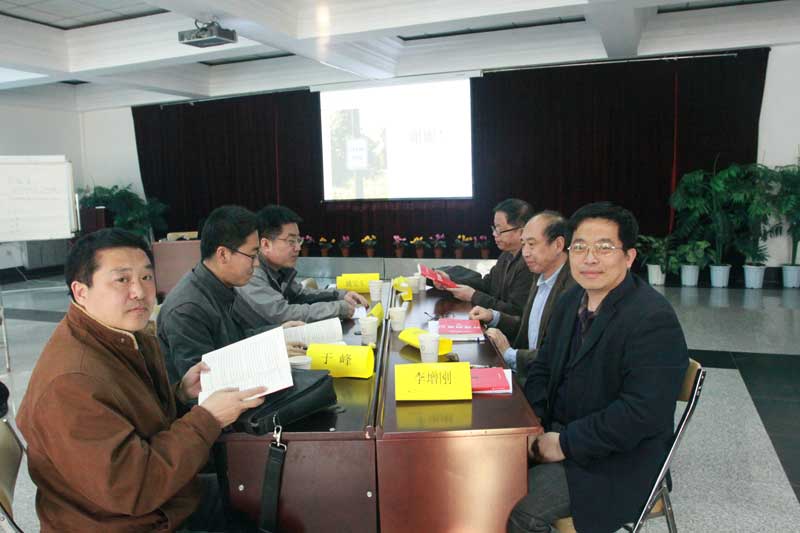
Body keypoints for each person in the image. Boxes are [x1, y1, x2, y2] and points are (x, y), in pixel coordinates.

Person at [16, 228, 266, 532]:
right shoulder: (71, 383)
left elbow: (134, 420)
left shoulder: (124, 336)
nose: (139, 291)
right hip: (128, 521)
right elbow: (134, 488)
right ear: (81, 292)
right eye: (122, 280)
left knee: (271, 486)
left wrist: (180, 394)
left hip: (165, 498)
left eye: (146, 277)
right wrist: (208, 418)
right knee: (271, 496)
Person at [508, 202, 689, 533]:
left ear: (629, 257)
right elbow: (542, 370)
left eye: (604, 248)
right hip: (557, 434)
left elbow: (641, 414)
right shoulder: (570, 301)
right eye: (580, 247)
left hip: (615, 460)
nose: (589, 259)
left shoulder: (652, 319)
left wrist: (564, 443)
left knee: (515, 507)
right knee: (480, 474)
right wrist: (534, 426)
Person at [158, 205, 303, 384]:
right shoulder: (187, 309)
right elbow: (203, 383)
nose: (257, 264)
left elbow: (238, 338)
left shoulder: (222, 286)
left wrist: (278, 332)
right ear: (223, 254)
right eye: (252, 256)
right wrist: (271, 353)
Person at [469, 211, 575, 379]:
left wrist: (510, 354)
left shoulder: (574, 288)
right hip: (529, 372)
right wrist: (493, 316)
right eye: (523, 244)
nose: (525, 253)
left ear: (558, 244)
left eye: (531, 244)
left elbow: (561, 354)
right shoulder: (539, 276)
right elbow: (531, 329)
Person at [234, 205, 368, 329]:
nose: (298, 248)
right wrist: (338, 308)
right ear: (266, 244)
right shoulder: (251, 273)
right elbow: (283, 313)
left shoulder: (279, 268)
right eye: (291, 241)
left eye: (298, 240)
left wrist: (339, 295)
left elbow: (299, 295)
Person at [435, 198, 534, 316]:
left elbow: (515, 312)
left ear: (521, 232)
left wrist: (473, 296)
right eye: (494, 229)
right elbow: (486, 285)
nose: (494, 234)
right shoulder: (506, 255)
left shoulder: (529, 263)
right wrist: (450, 280)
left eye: (499, 230)